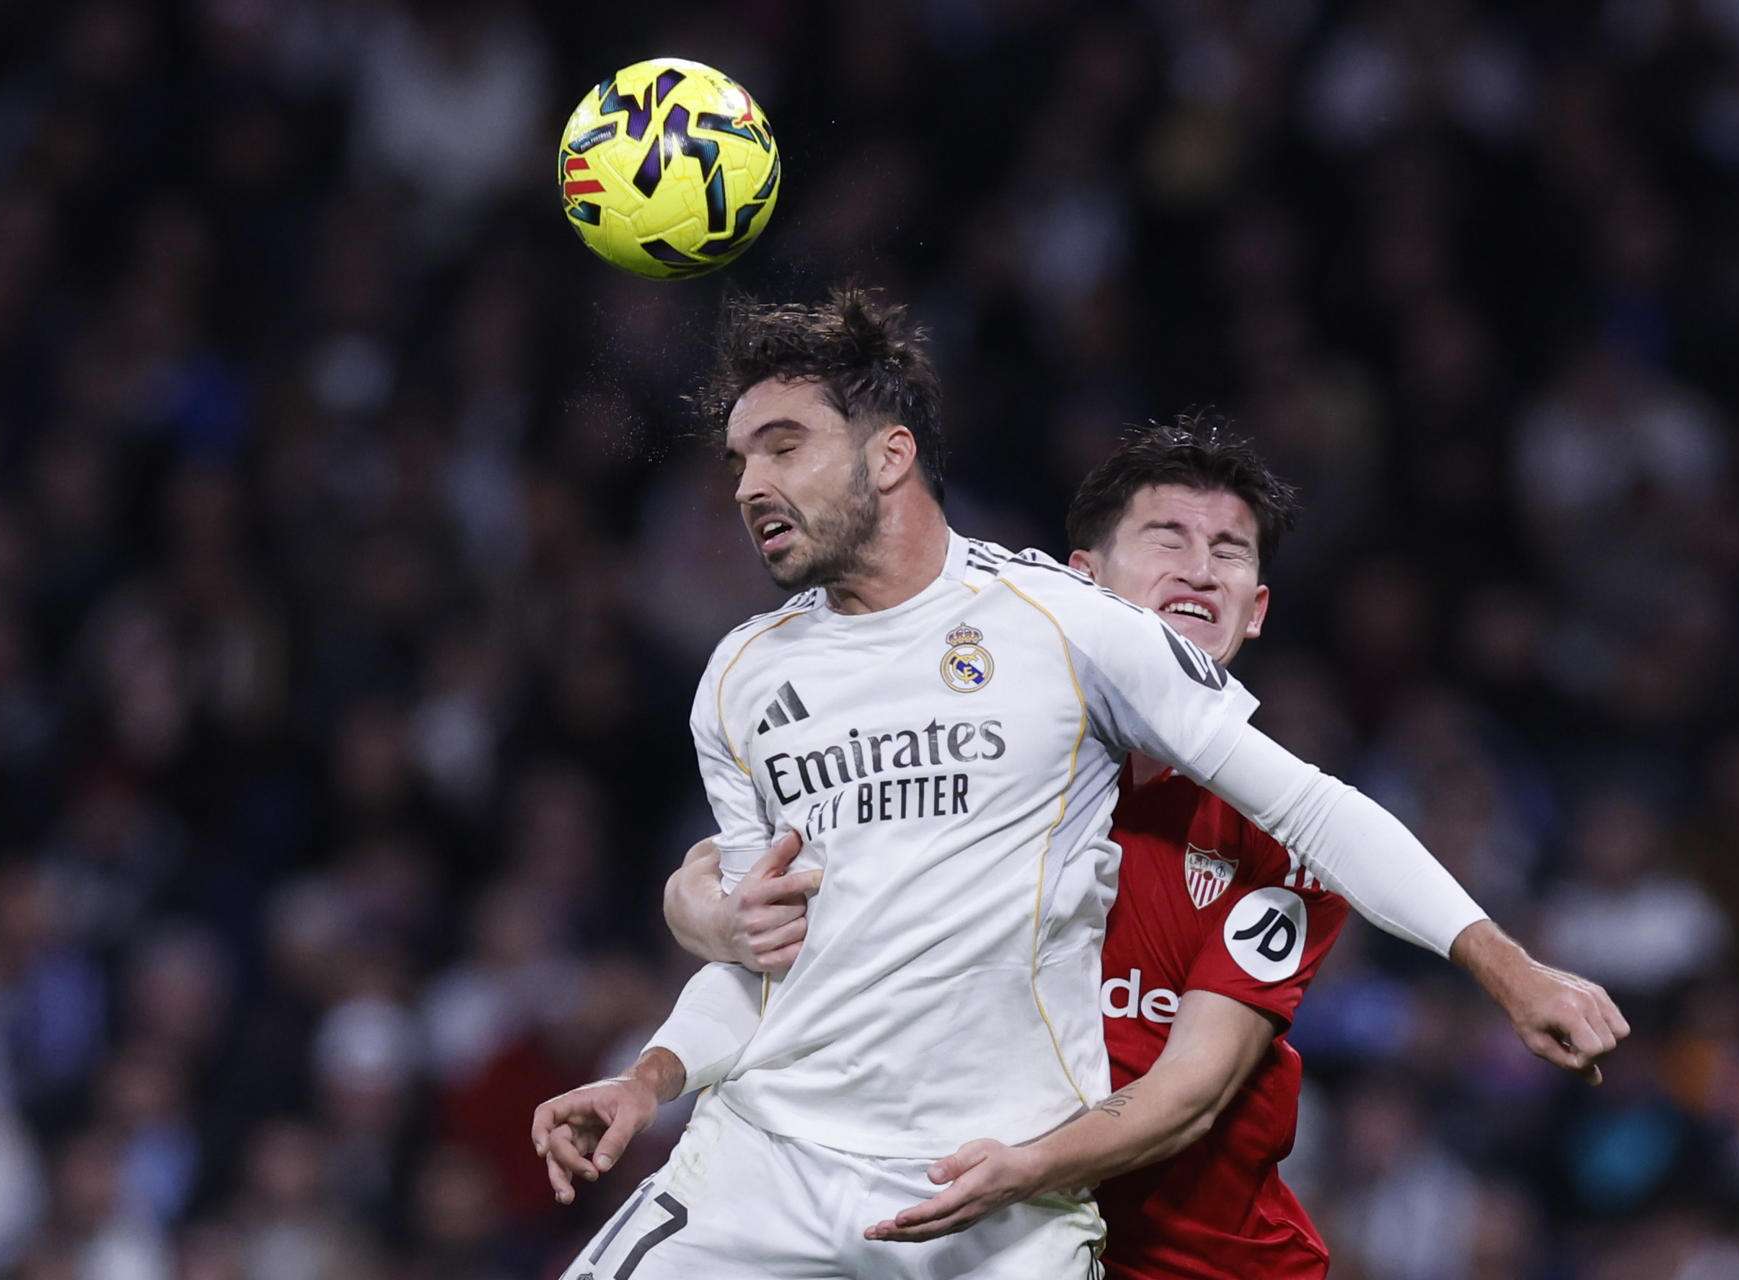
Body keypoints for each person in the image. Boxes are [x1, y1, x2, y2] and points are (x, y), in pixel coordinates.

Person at [532, 289, 1625, 1280]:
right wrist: (650, 1074)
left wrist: (1503, 962)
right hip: (765, 1161)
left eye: (783, 447)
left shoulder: (1065, 626)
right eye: (737, 462)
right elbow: (765, 957)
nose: (750, 485)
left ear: (890, 456)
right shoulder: (738, 675)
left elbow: (1308, 804)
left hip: (992, 1188)